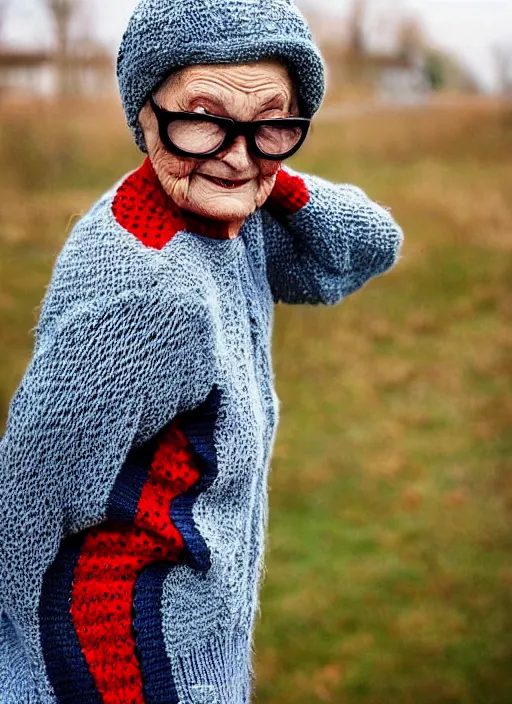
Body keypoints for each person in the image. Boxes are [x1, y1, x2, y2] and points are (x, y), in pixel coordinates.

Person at [0, 0, 404, 702]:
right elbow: (25, 501)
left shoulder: (225, 221)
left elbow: (364, 250)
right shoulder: (153, 297)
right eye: (202, 118)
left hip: (188, 643)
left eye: (273, 123)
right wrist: (24, 671)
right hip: (131, 667)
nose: (236, 154)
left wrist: (273, 179)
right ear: (145, 115)